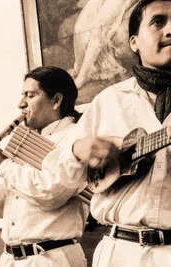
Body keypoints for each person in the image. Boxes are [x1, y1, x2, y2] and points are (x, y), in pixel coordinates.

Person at [68, 0, 171, 266]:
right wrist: (77, 150)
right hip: (122, 253)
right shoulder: (108, 101)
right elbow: (57, 177)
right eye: (158, 22)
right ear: (134, 41)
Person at [0, 66, 89, 266]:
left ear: (56, 100)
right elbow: (3, 207)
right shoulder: (27, 141)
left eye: (30, 95)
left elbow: (53, 191)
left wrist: (2, 164)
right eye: (23, 95)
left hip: (51, 259)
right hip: (12, 260)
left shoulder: (76, 136)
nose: (21, 104)